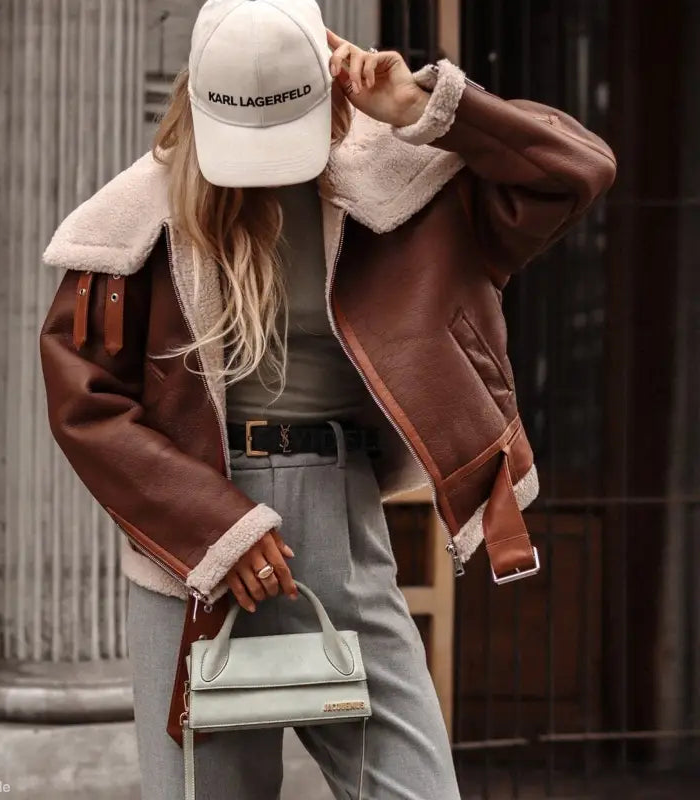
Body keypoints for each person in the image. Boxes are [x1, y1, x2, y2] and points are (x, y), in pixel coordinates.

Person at [38, 0, 616, 797]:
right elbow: (86, 407)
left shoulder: (408, 182)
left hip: (339, 513)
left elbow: (575, 172)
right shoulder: (135, 223)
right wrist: (218, 532)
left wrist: (423, 109)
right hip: (194, 553)